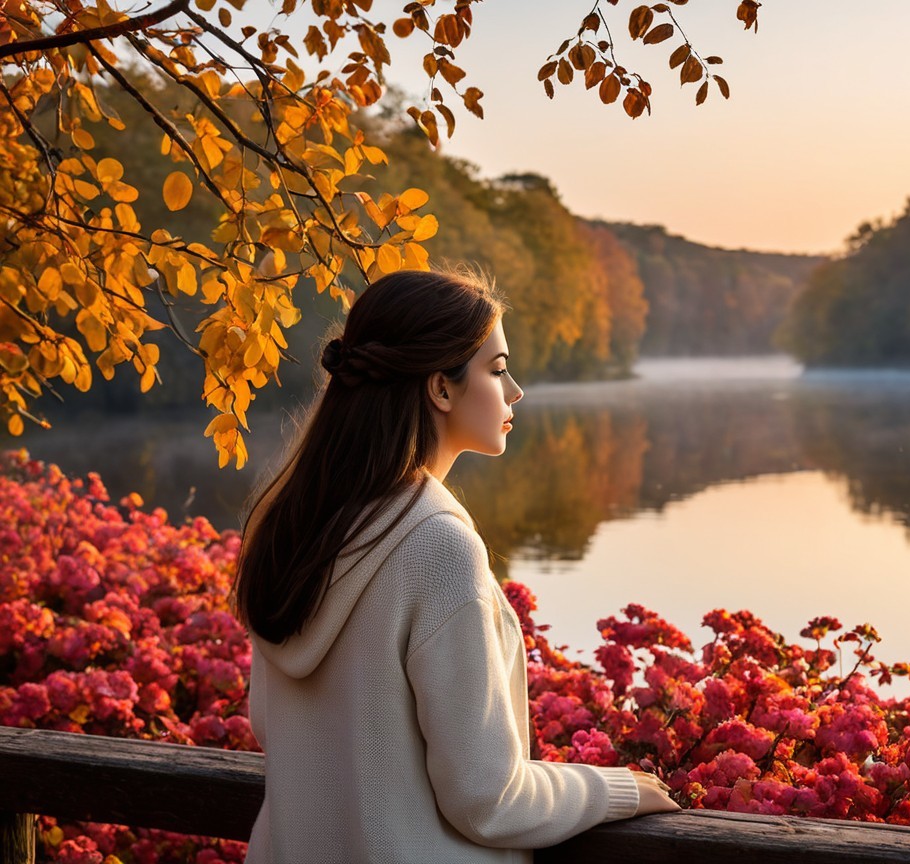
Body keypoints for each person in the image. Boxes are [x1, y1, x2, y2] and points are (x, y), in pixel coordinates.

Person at [234, 269, 679, 863]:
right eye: (496, 370)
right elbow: (488, 798)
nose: (514, 390)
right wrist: (619, 789)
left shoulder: (295, 526)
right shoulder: (435, 547)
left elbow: (274, 730)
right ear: (440, 390)